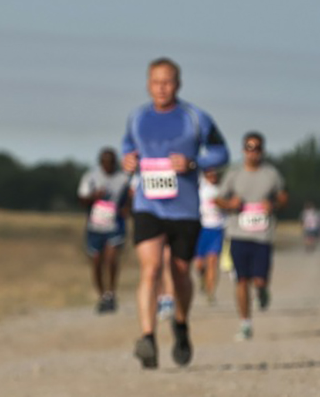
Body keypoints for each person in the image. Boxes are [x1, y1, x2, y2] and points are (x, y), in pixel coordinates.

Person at [122, 57, 229, 369]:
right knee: (151, 268)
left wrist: (194, 163)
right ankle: (147, 338)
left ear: (178, 85)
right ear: (147, 84)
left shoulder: (195, 118)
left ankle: (180, 325)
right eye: (156, 82)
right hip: (148, 205)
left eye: (167, 82)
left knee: (180, 273)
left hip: (184, 209)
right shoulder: (137, 117)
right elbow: (126, 147)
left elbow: (221, 152)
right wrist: (127, 160)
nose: (161, 88)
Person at [215, 132, 287, 341]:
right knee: (241, 280)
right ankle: (245, 323)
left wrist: (273, 205)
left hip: (262, 236)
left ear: (262, 151)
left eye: (257, 148)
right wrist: (230, 204)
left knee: (259, 279)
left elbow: (283, 196)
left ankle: (262, 291)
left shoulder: (271, 174)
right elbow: (218, 199)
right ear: (243, 149)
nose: (253, 152)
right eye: (249, 147)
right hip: (238, 233)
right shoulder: (234, 174)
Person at [77, 147, 131, 314]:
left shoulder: (123, 178)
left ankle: (111, 293)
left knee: (111, 258)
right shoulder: (90, 177)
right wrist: (94, 196)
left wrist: (127, 209)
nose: (109, 166)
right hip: (95, 226)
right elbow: (81, 198)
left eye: (112, 162)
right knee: (97, 262)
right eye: (105, 162)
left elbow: (131, 196)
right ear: (101, 163)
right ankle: (102, 296)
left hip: (114, 226)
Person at [193, 167, 226, 305]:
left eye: (215, 172)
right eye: (209, 172)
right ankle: (202, 278)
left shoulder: (223, 189)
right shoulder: (199, 187)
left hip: (217, 229)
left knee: (213, 261)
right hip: (201, 229)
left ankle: (210, 293)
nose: (212, 175)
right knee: (199, 264)